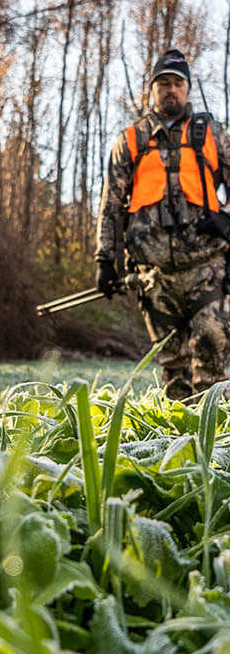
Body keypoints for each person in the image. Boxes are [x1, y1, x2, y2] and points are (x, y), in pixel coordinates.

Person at [95, 48, 230, 400]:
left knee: (214, 357)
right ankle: (178, 446)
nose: (170, 90)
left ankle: (215, 445)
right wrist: (105, 259)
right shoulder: (130, 140)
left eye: (177, 83)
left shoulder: (212, 133)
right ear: (151, 90)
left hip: (207, 269)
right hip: (153, 275)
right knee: (172, 368)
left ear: (187, 89)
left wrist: (226, 220)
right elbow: (111, 203)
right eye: (163, 84)